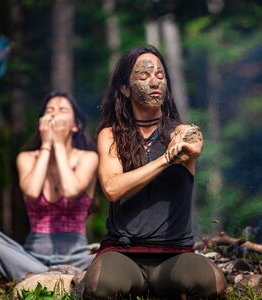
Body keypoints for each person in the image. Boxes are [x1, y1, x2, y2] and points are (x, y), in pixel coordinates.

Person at [83, 45, 227, 299]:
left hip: (173, 257)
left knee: (212, 282)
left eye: (160, 76)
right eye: (144, 76)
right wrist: (166, 159)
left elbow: (191, 142)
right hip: (124, 254)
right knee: (99, 286)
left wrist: (184, 147)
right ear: (125, 89)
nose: (154, 81)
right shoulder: (111, 136)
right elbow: (113, 189)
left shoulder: (181, 132)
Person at [0, 92, 99, 281]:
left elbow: (72, 190)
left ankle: (39, 278)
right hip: (33, 256)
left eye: (62, 110)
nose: (54, 115)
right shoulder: (27, 158)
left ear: (76, 125)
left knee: (111, 253)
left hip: (77, 256)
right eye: (49, 111)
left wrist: (58, 144)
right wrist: (47, 145)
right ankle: (57, 278)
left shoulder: (88, 158)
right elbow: (32, 191)